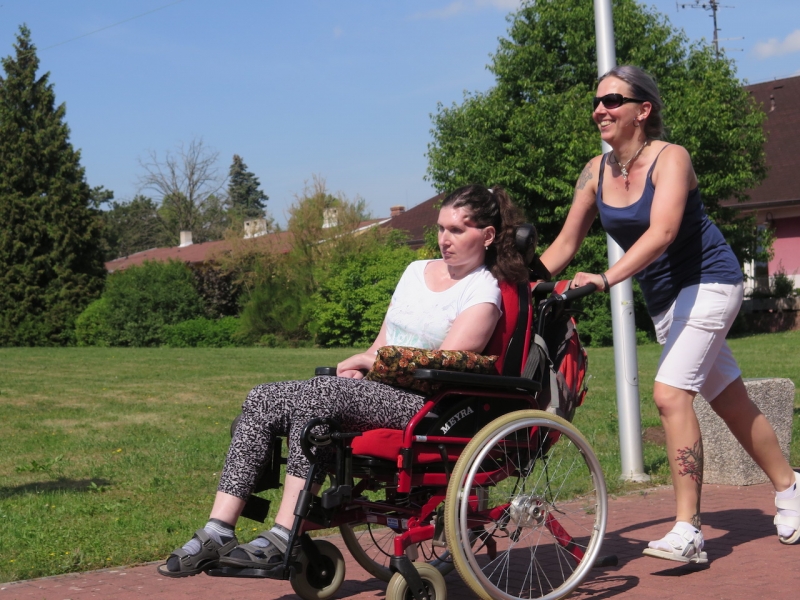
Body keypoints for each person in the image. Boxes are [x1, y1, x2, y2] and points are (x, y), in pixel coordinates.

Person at [158, 184, 528, 577]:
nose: (444, 239)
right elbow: (383, 342)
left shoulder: (483, 289)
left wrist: (369, 364)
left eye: (457, 230)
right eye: (441, 228)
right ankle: (218, 531)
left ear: (488, 235)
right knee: (262, 398)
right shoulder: (415, 271)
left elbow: (443, 368)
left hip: (428, 407)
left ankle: (283, 534)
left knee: (321, 397)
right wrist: (360, 368)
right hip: (377, 391)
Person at [539, 65, 800, 564]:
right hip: (665, 300)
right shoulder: (594, 171)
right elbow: (565, 244)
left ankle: (688, 531)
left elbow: (661, 233)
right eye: (596, 102)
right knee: (730, 402)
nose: (600, 110)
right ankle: (791, 487)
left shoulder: (671, 158)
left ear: (643, 109)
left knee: (670, 394)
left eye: (612, 100)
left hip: (709, 282)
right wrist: (517, 283)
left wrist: (605, 278)